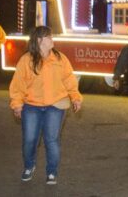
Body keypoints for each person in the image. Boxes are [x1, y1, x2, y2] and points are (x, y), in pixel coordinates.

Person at [9, 26, 82, 185]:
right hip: (31, 106)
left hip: (55, 105)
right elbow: (18, 85)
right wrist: (17, 104)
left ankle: (51, 172)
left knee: (52, 140)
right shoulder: (26, 60)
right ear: (40, 40)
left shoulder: (60, 58)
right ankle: (29, 166)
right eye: (49, 37)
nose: (52, 39)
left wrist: (75, 97)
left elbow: (69, 79)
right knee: (29, 140)